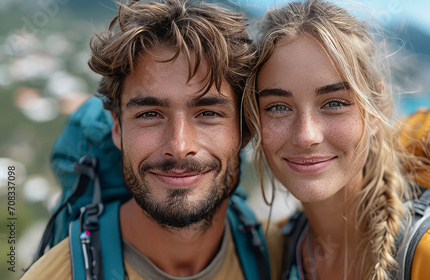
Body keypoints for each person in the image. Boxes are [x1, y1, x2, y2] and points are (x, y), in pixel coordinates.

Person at [22, 0, 282, 279]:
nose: (179, 146)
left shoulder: (275, 253)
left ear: (244, 130)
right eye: (150, 114)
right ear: (118, 128)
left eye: (207, 113)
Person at [243, 0, 430, 279]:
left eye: (335, 103)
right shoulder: (279, 249)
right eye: (278, 107)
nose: (306, 136)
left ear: (375, 111)